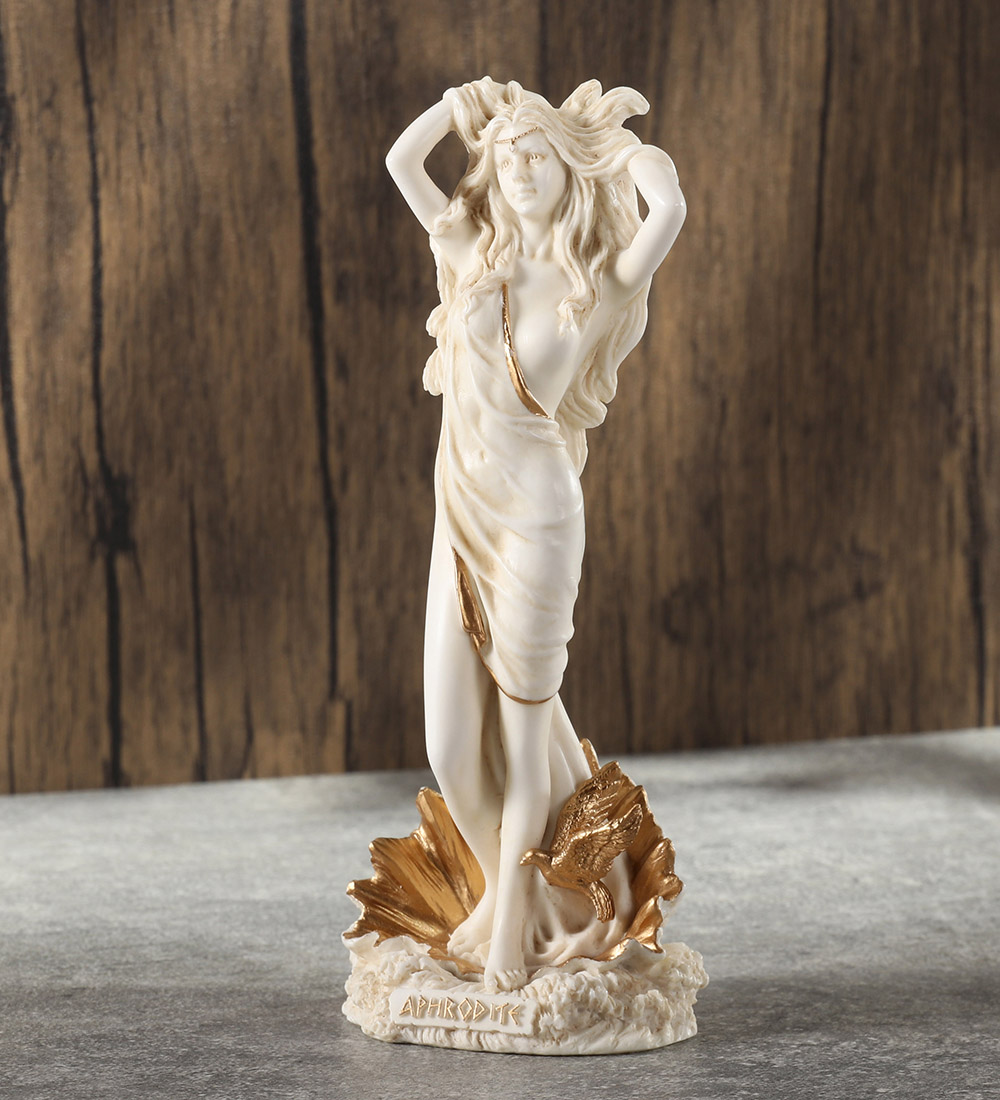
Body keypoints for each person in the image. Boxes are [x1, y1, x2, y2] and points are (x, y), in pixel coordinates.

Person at [386, 77, 686, 991]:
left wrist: (631, 155)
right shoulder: (471, 251)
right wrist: (458, 105)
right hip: (461, 516)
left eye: (538, 156)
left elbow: (668, 211)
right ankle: (514, 893)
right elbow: (402, 161)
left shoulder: (599, 280)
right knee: (448, 742)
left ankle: (511, 930)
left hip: (536, 521)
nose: (517, 171)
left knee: (522, 745)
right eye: (506, 157)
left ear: (568, 170)